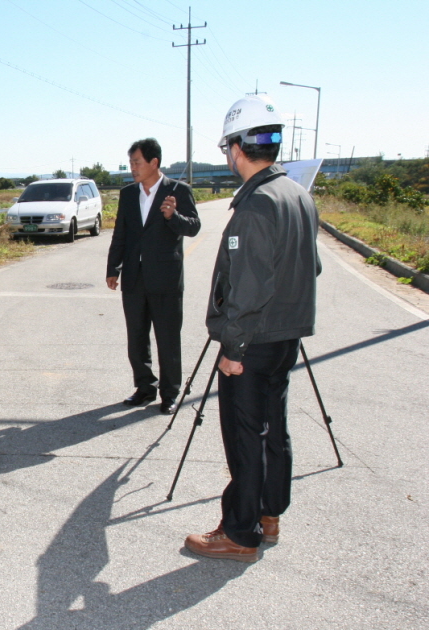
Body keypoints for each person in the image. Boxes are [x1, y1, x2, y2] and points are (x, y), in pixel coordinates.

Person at [185, 95, 321, 563]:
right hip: (286, 336)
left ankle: (240, 532)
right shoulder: (298, 196)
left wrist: (233, 346)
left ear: (237, 149)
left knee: (244, 435)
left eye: (227, 148)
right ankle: (269, 513)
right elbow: (311, 267)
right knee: (272, 428)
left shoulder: (256, 205)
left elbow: (245, 285)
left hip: (253, 340)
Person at [105, 138, 200, 415]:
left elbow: (194, 227)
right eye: (131, 162)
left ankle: (170, 394)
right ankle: (145, 387)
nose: (133, 167)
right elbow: (120, 233)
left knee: (167, 338)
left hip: (166, 278)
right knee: (136, 337)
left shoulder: (178, 191)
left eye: (137, 162)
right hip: (134, 277)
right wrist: (113, 268)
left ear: (154, 163)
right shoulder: (128, 194)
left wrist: (173, 216)